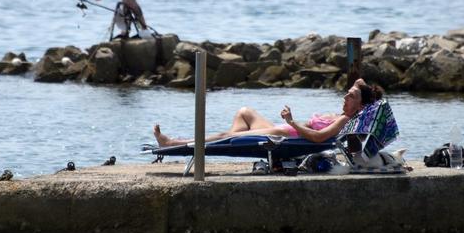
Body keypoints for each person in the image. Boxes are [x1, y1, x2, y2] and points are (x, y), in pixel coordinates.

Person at [152, 79, 382, 147]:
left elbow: (318, 137)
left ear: (359, 106)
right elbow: (360, 82)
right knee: (245, 112)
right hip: (284, 129)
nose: (345, 96)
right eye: (347, 93)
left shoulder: (344, 119)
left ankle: (174, 143)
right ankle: (230, 141)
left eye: (350, 96)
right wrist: (362, 91)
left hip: (284, 134)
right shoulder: (351, 111)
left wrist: (291, 121)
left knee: (226, 136)